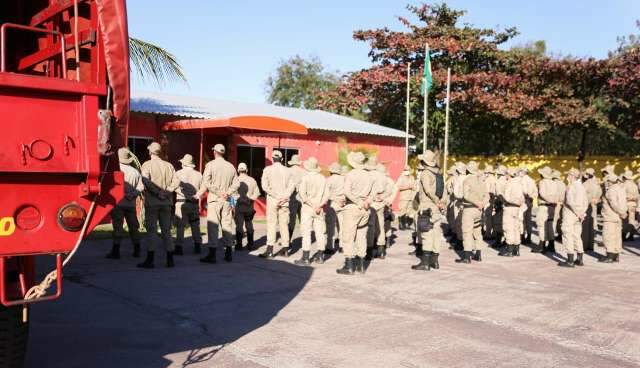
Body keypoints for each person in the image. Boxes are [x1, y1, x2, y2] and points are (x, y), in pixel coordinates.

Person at [138, 142, 179, 269]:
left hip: (153, 202)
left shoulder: (147, 165)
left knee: (152, 231)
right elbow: (176, 181)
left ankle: (150, 260)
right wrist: (167, 192)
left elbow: (145, 180)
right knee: (167, 231)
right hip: (166, 202)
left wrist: (157, 192)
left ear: (150, 152)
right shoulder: (169, 166)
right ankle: (170, 259)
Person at [198, 144, 240, 264]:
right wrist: (228, 193)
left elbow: (206, 181)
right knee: (227, 225)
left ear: (215, 152)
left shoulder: (210, 165)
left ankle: (212, 255)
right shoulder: (231, 166)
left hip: (215, 199)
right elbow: (236, 184)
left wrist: (218, 192)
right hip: (226, 200)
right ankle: (228, 254)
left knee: (213, 226)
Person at [337, 152, 372, 275]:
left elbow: (347, 191)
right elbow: (374, 193)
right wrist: (366, 201)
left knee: (348, 237)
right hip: (366, 209)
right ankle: (361, 265)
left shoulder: (351, 174)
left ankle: (349, 265)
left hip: (353, 207)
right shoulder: (369, 175)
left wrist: (358, 201)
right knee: (362, 236)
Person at [107, 148, 144, 260]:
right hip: (131, 204)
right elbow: (141, 187)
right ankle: (137, 249)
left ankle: (116, 251)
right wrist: (133, 194)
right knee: (134, 227)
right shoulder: (135, 172)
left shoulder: (115, 171)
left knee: (118, 227)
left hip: (118, 203)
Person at [411, 150, 444, 271]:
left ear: (424, 161)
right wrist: (441, 203)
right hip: (436, 209)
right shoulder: (438, 174)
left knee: (426, 235)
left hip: (427, 206)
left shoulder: (425, 173)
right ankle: (434, 261)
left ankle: (425, 263)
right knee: (436, 234)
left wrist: (436, 201)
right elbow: (443, 192)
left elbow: (428, 190)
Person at [260, 150, 295, 258]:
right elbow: (292, 186)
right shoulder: (288, 171)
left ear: (272, 158)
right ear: (282, 159)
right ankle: (285, 249)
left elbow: (264, 186)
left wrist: (275, 195)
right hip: (284, 201)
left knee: (271, 224)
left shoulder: (267, 169)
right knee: (284, 225)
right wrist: (285, 196)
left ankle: (270, 250)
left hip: (273, 200)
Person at [295, 157, 329, 265]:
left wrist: (312, 205)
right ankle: (320, 255)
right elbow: (327, 196)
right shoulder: (323, 179)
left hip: (308, 208)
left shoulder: (305, 178)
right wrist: (319, 205)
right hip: (320, 208)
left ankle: (305, 257)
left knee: (306, 232)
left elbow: (302, 195)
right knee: (320, 232)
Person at [456, 161, 488, 264]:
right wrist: (482, 203)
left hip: (469, 209)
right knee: (477, 231)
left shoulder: (467, 180)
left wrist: (476, 202)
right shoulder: (481, 181)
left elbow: (466, 195)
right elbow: (487, 195)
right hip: (479, 210)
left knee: (467, 232)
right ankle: (478, 254)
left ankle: (467, 256)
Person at [558, 168, 588, 267]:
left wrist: (578, 212)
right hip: (579, 215)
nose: (567, 177)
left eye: (568, 175)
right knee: (577, 236)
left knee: (568, 235)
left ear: (572, 176)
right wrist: (582, 213)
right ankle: (579, 259)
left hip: (570, 214)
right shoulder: (582, 187)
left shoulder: (571, 187)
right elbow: (586, 202)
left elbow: (570, 202)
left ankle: (570, 260)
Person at [174, 154, 203, 255]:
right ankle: (197, 246)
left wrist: (184, 194)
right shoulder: (199, 175)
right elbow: (202, 190)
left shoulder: (178, 174)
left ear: (183, 164)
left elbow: (174, 187)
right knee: (195, 225)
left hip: (181, 203)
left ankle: (179, 248)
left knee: (180, 226)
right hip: (194, 204)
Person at [599, 173, 627, 263]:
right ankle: (616, 255)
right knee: (617, 236)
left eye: (607, 181)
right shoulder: (620, 188)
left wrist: (621, 212)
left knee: (608, 236)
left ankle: (610, 256)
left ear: (610, 181)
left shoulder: (611, 190)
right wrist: (623, 213)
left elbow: (613, 204)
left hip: (610, 216)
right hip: (618, 217)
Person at [499, 168, 524, 257]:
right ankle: (516, 250)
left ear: (509, 175)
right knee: (516, 228)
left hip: (509, 207)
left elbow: (507, 197)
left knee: (508, 228)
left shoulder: (510, 183)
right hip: (517, 208)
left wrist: (502, 197)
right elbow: (522, 198)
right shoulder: (519, 183)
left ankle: (509, 250)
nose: (505, 175)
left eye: (506, 173)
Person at [235, 162, 260, 251]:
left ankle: (239, 245)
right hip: (249, 206)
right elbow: (257, 193)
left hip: (238, 207)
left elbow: (232, 194)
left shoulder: (235, 180)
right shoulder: (252, 180)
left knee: (239, 226)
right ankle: (250, 245)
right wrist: (250, 199)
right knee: (249, 225)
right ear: (247, 170)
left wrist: (232, 205)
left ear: (238, 170)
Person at [365, 156, 387, 259]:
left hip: (371, 203)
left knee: (370, 226)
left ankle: (369, 250)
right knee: (380, 226)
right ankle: (381, 250)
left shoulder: (367, 175)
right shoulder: (382, 176)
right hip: (381, 203)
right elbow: (388, 189)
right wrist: (382, 197)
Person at [532, 166, 556, 253]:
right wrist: (553, 201)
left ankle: (541, 246)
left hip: (544, 205)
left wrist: (548, 200)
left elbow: (542, 193)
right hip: (552, 206)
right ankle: (551, 245)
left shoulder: (542, 182)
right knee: (549, 226)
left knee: (541, 225)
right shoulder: (554, 183)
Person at [325, 163, 346, 254]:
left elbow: (326, 194)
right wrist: (342, 200)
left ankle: (330, 246)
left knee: (330, 227)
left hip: (332, 204)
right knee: (342, 226)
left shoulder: (329, 180)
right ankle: (342, 246)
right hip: (342, 203)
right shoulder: (345, 179)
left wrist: (335, 199)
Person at [582, 168, 601, 251]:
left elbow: (582, 195)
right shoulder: (597, 184)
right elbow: (600, 194)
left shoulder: (585, 184)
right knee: (592, 225)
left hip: (586, 205)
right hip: (594, 205)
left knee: (585, 226)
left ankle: (585, 245)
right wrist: (596, 199)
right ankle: (591, 245)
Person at [287, 154, 306, 239]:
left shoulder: (288, 171)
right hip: (302, 197)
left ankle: (288, 240)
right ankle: (305, 240)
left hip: (292, 196)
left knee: (291, 219)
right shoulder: (304, 172)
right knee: (303, 220)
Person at [519, 166, 538, 245]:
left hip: (524, 201)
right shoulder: (532, 180)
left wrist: (526, 196)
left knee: (522, 220)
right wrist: (531, 197)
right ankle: (529, 237)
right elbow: (535, 193)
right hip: (530, 201)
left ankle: (522, 237)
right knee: (528, 220)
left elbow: (524, 191)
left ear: (523, 172)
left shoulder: (522, 180)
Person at [451, 162, 467, 249]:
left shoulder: (459, 179)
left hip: (459, 202)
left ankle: (460, 242)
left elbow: (456, 193)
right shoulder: (468, 178)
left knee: (459, 222)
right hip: (467, 203)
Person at [493, 165, 508, 248]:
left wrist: (500, 203)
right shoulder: (507, 180)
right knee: (505, 223)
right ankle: (506, 240)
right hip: (507, 204)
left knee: (498, 223)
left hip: (500, 203)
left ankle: (498, 241)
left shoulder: (498, 181)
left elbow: (499, 194)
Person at [621, 170, 639, 241]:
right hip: (633, 204)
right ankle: (631, 235)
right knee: (632, 220)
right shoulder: (634, 185)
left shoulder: (624, 185)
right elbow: (637, 196)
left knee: (625, 220)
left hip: (626, 204)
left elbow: (622, 195)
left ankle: (623, 235)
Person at [482, 164, 497, 240]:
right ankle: (494, 233)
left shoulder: (488, 180)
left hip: (488, 200)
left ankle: (488, 234)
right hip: (493, 200)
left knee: (488, 218)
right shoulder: (494, 179)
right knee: (493, 218)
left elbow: (488, 191)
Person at [552, 170, 566, 243]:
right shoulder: (563, 184)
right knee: (560, 220)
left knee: (554, 220)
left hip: (555, 203)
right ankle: (561, 235)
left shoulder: (553, 183)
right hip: (562, 203)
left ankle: (552, 236)